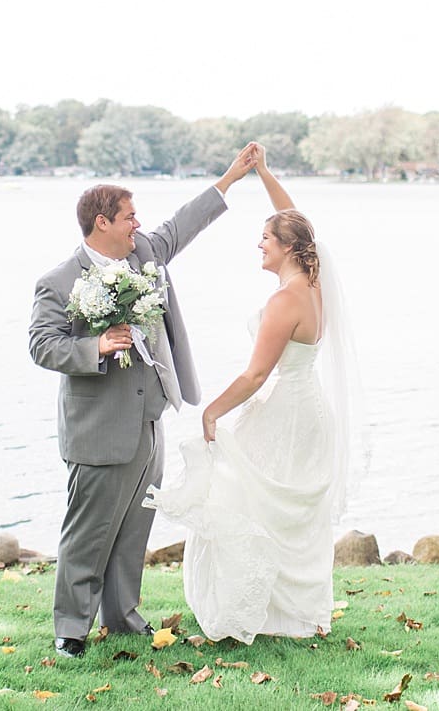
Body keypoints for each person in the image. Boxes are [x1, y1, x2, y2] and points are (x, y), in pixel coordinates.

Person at [28, 144, 257, 658]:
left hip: (150, 420)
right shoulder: (59, 281)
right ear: (102, 222)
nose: (139, 224)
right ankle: (71, 629)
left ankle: (124, 616)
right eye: (130, 216)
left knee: (134, 529)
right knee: (87, 534)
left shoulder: (144, 254)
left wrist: (229, 178)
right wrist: (96, 346)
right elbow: (42, 345)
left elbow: (182, 225)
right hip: (99, 428)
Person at [145, 146, 363, 643]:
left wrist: (212, 413)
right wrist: (261, 173)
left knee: (249, 504)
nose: (258, 245)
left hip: (285, 411)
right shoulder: (314, 280)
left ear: (286, 247)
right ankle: (289, 616)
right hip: (308, 410)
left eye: (264, 238)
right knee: (283, 512)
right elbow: (296, 219)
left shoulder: (287, 299)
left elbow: (255, 375)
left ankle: (254, 616)